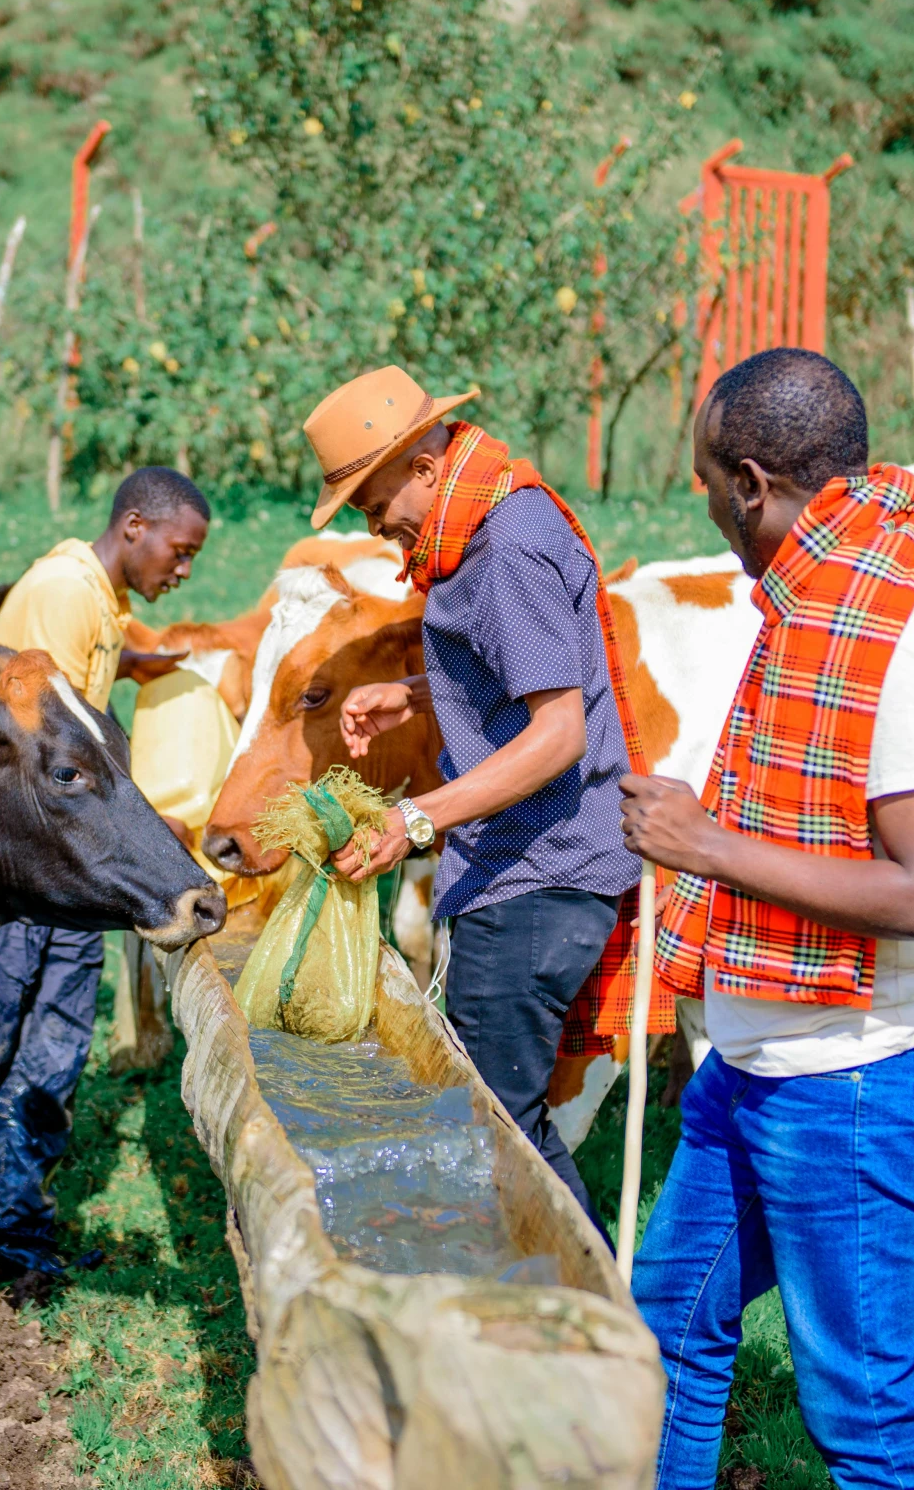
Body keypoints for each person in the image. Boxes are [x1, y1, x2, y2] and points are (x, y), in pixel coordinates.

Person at [616, 349, 914, 1489]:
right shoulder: (827, 587)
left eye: (702, 481)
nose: (704, 504)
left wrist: (706, 845)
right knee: (670, 1318)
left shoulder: (903, 637)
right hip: (769, 1056)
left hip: (867, 1072)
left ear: (748, 482)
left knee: (867, 1418)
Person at [303, 364, 647, 1223]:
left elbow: (558, 733)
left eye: (368, 498)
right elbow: (530, 669)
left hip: (538, 875)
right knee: (500, 1117)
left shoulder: (502, 550)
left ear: (422, 466)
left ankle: (591, 1322)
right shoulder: (498, 518)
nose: (370, 522)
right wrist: (420, 693)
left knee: (500, 1126)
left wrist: (414, 819)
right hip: (536, 865)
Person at [0, 466, 210, 1276]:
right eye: (179, 552)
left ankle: (16, 1232)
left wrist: (127, 668)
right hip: (15, 872)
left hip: (67, 873)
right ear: (133, 528)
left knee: (51, 1051)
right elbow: (37, 747)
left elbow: (67, 711)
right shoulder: (63, 591)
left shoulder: (99, 608)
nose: (182, 571)